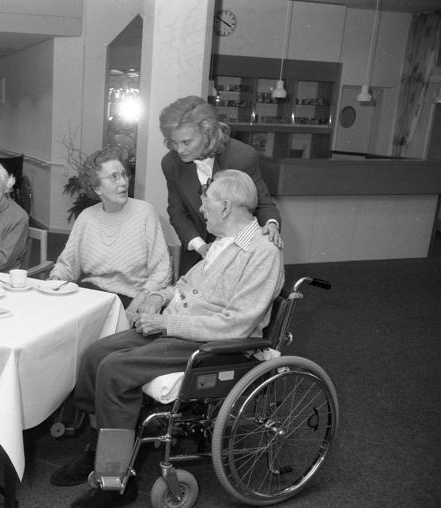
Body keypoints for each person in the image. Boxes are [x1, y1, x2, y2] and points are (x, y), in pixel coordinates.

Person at [50, 170, 285, 508]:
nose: (200, 210)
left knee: (116, 369)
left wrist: (165, 323)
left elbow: (234, 325)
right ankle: (98, 449)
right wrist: (159, 297)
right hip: (178, 326)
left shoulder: (262, 253)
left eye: (205, 203)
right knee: (95, 353)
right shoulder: (223, 243)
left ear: (225, 207)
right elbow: (187, 286)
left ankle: (115, 481)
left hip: (212, 345)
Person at [159, 95, 282, 276]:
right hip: (197, 253)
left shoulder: (242, 156)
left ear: (208, 133)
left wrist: (271, 225)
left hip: (240, 252)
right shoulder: (171, 163)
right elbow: (177, 213)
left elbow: (263, 204)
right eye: (174, 142)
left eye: (186, 142)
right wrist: (200, 246)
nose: (179, 150)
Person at [49, 146, 171, 322]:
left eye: (124, 175)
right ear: (97, 187)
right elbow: (68, 265)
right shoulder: (86, 218)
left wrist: (142, 297)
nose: (123, 182)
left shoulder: (145, 213)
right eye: (114, 177)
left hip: (130, 297)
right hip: (91, 294)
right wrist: (54, 280)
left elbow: (162, 270)